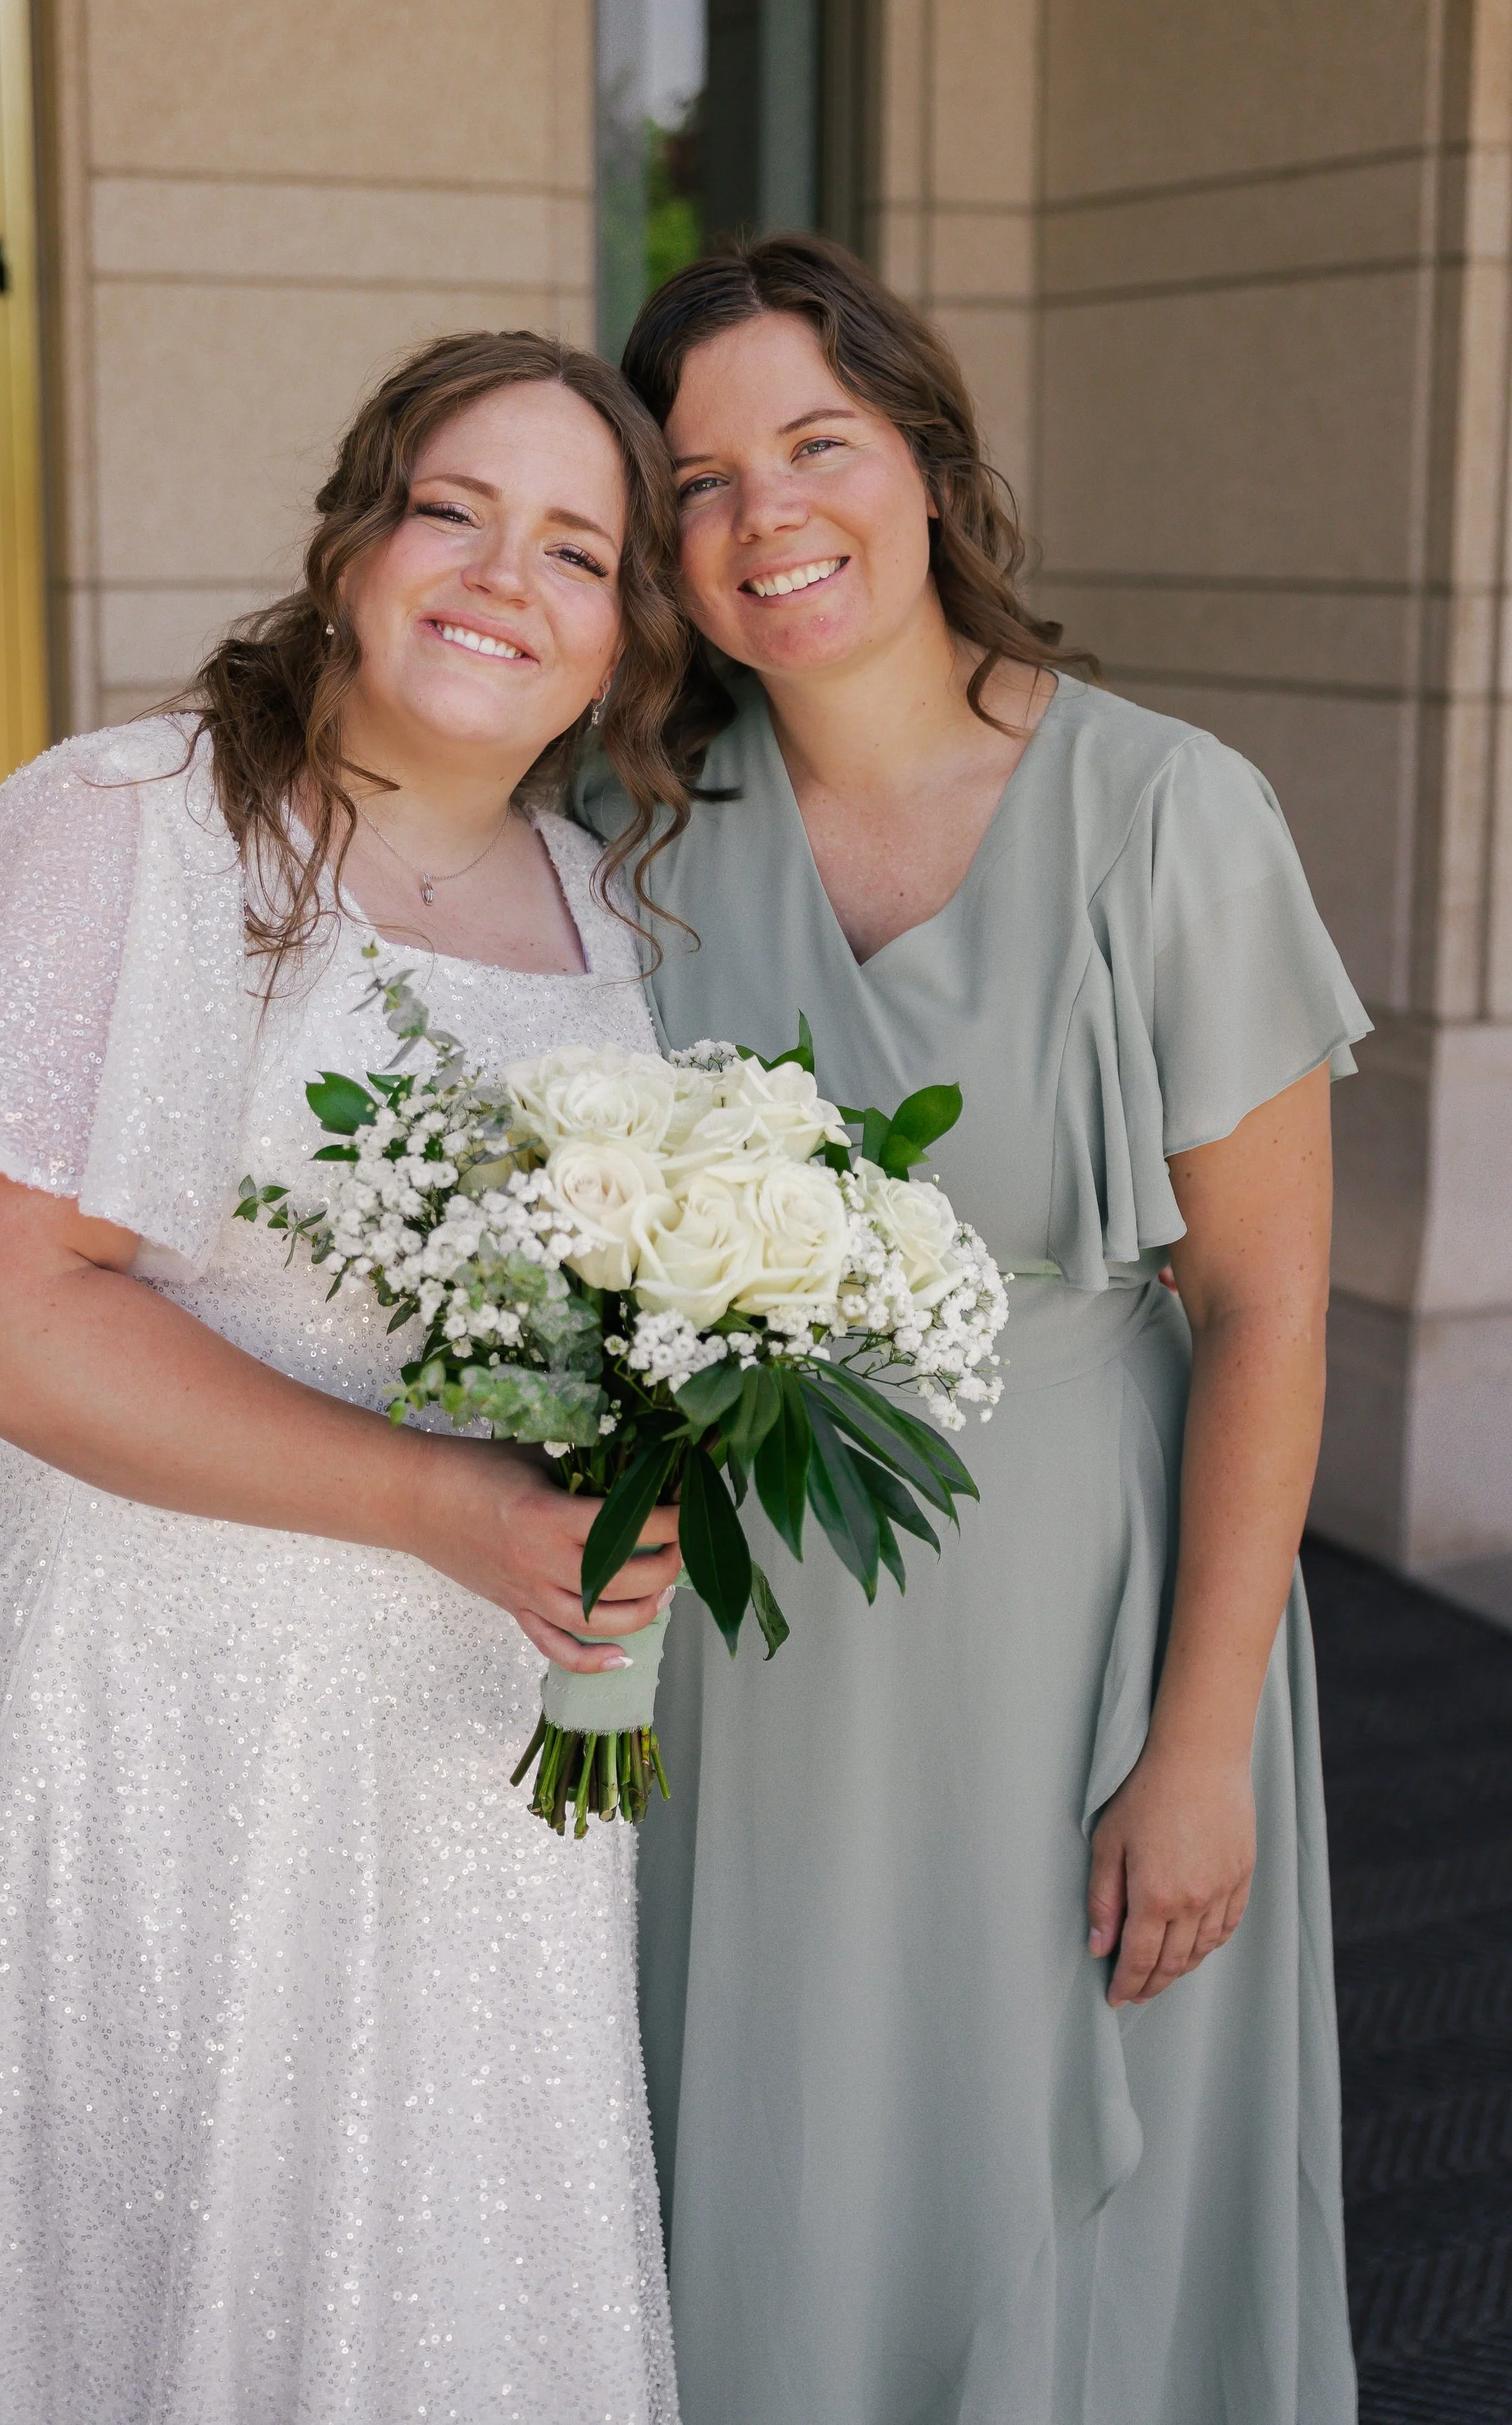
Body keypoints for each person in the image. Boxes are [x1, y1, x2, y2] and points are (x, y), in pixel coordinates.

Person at [0, 331, 694, 2425]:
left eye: (577, 548)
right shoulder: (123, 820)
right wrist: (458, 1505)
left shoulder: (591, 900)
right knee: (153, 2242)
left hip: (473, 1700)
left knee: (446, 2251)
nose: (504, 573)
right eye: (453, 509)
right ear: (352, 542)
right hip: (153, 1679)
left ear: (621, 645)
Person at [577, 234, 1366, 2425]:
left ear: (925, 462)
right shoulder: (631, 829)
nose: (765, 521)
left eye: (814, 444)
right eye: (699, 486)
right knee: (756, 2163)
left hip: (1077, 1634)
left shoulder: (1165, 812)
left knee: (1065, 2198)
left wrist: (1196, 1745)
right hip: (735, 1663)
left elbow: (1268, 1302)